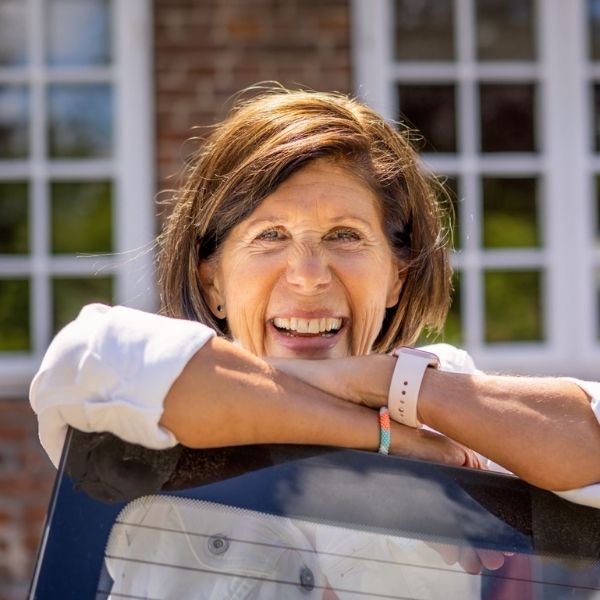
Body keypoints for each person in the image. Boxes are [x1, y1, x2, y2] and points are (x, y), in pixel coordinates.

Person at [30, 85, 600, 501]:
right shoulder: (152, 401)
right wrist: (376, 430)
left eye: (345, 236)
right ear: (212, 280)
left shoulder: (445, 398)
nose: (308, 275)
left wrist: (391, 386)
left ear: (398, 275)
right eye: (270, 235)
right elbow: (89, 363)